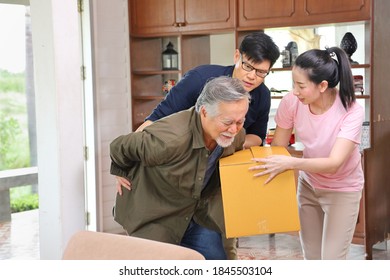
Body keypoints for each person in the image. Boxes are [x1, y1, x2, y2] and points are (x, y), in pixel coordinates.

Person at [116, 31, 280, 259]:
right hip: (167, 189)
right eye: (248, 66)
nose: (252, 76)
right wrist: (124, 167)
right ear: (237, 56)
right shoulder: (200, 79)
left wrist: (227, 137)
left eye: (261, 72)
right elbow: (152, 123)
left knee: (219, 253)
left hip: (207, 191)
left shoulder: (261, 96)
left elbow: (255, 138)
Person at [110, 76, 251, 260]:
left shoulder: (235, 136)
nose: (234, 129)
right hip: (157, 214)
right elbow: (119, 146)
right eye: (227, 122)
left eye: (240, 121)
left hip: (196, 211)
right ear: (204, 112)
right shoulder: (169, 140)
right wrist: (120, 171)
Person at [249, 47, 364, 260]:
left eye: (301, 86)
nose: (295, 91)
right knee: (311, 259)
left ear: (322, 86)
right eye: (294, 84)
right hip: (309, 186)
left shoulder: (352, 110)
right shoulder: (292, 102)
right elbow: (279, 147)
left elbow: (334, 163)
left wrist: (291, 163)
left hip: (342, 189)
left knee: (331, 262)